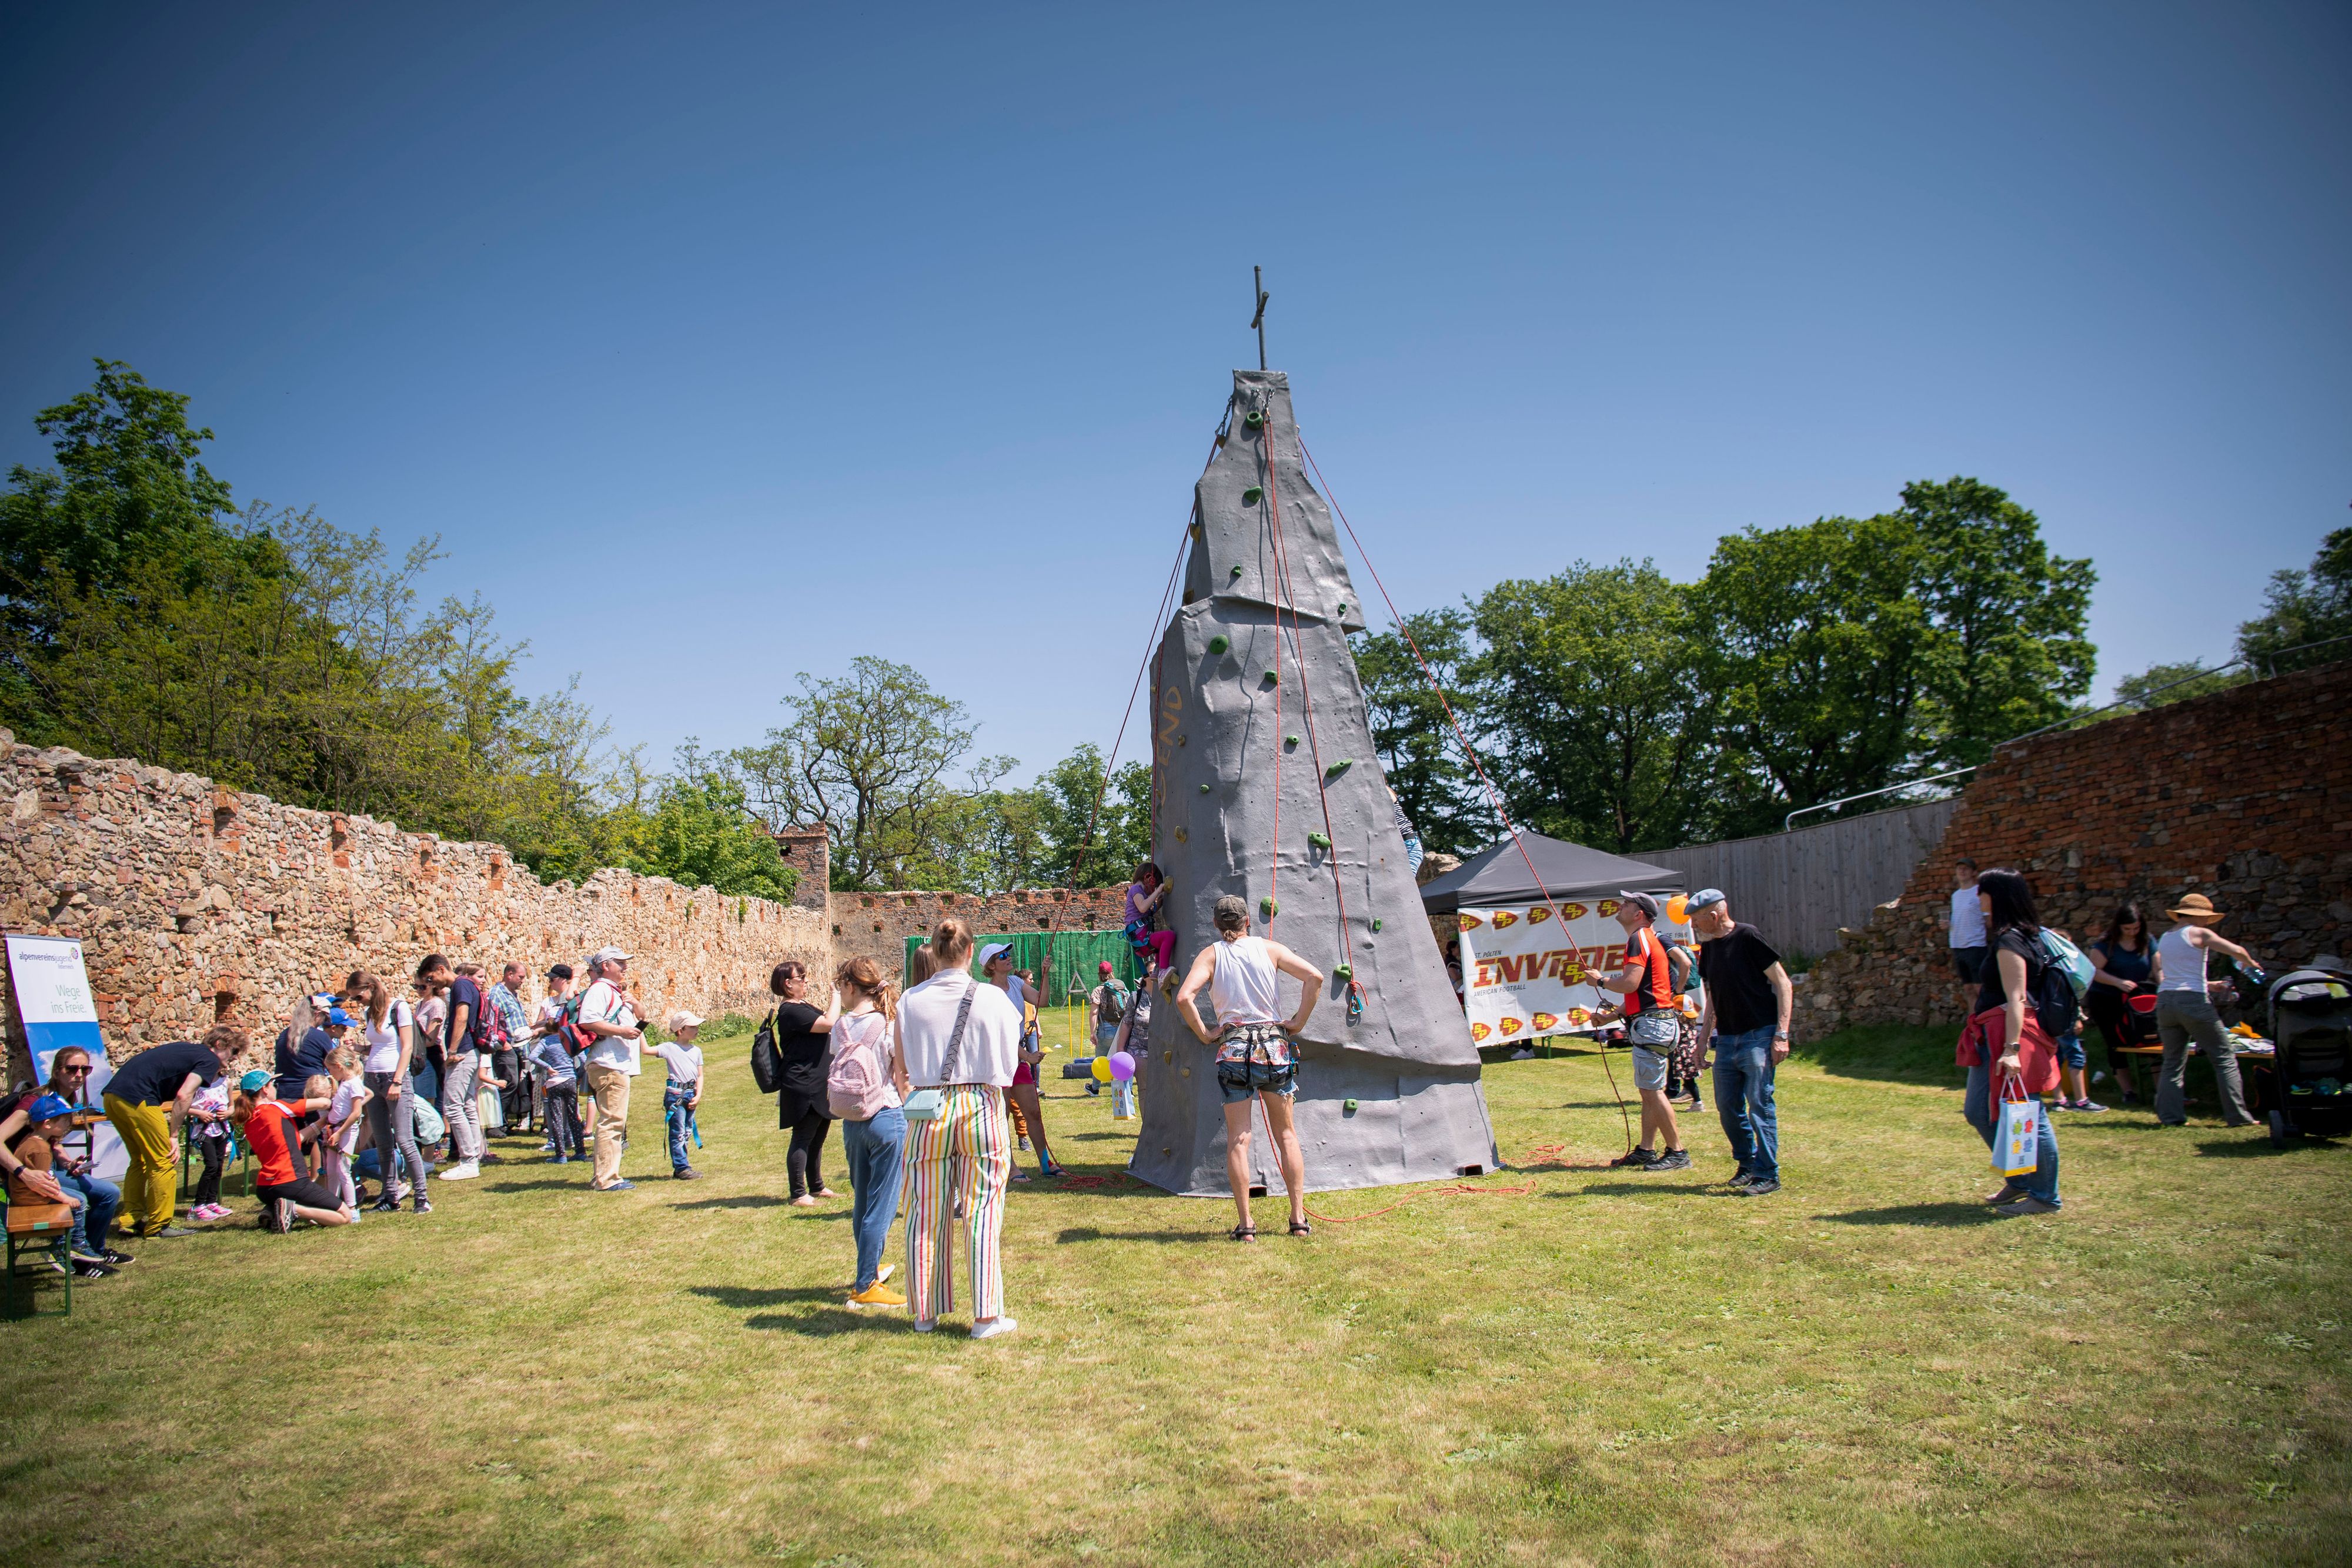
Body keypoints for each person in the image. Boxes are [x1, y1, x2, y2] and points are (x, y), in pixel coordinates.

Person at [1173, 893, 1325, 1241]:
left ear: (1215, 924)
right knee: (1286, 1134)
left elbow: (1184, 998)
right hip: (1274, 1045)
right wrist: (1298, 1022)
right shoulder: (1270, 949)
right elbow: (1314, 978)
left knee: (1239, 1139)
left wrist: (1207, 1034)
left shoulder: (1211, 954)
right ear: (1247, 922)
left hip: (1234, 1048)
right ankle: (1298, 1219)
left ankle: (1246, 1226)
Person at [897, 919, 1021, 1336]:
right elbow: (1009, 1061)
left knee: (923, 1211)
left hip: (926, 1103)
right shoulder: (993, 998)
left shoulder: (909, 999)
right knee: (982, 1209)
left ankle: (924, 1313)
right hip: (979, 1100)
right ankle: (986, 1315)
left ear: (934, 951)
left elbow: (902, 1064)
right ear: (971, 953)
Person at [1963, 870, 2063, 1216]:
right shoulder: (2018, 937)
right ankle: (2020, 1180)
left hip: (2012, 1038)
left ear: (1997, 896)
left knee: (2028, 1113)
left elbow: (2017, 998)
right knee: (1979, 1112)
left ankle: (2045, 1197)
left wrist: (2011, 1050)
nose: (1979, 900)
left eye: (1982, 894)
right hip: (1991, 1036)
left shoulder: (2011, 941)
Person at [1689, 889, 1795, 1196]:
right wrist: (1702, 1036)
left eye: (1697, 920)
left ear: (1714, 915)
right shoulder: (1708, 949)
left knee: (1759, 1106)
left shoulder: (1748, 936)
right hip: (1727, 1040)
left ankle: (1767, 1173)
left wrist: (1781, 1034)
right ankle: (1746, 1164)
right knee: (1727, 1107)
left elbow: (1783, 983)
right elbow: (1712, 998)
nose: (1694, 926)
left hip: (1759, 1036)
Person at [101, 1027, 238, 1239]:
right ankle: (158, 1225)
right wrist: (174, 1136)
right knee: (164, 1161)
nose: (233, 1058)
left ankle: (130, 1221)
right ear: (220, 1045)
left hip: (112, 1097)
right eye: (233, 1051)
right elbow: (184, 1095)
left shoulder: (187, 1050)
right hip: (140, 1099)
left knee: (140, 1161)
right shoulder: (208, 1058)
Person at [833, 955, 908, 1310]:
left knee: (862, 1202)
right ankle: (866, 1284)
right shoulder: (888, 1023)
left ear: (850, 987)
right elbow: (901, 1074)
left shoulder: (841, 1026)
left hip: (852, 1119)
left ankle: (870, 1268)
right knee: (882, 1205)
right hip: (886, 1115)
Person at [2153, 893, 2262, 1129]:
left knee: (2172, 1061)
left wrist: (2209, 984)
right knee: (2224, 1058)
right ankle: (2238, 1117)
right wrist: (2252, 964)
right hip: (2192, 1002)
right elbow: (2237, 950)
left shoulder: (2166, 936)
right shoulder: (2199, 933)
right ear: (2198, 916)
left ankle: (2170, 1117)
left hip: (2165, 1002)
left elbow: (2176, 972)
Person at [1603, 892, 1690, 1172]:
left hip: (1652, 1025)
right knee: (1650, 1090)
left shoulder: (1638, 939)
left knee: (1652, 1091)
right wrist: (1615, 1013)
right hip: (1660, 1022)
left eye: (1627, 904)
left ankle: (1677, 1152)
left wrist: (1602, 980)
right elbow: (1646, 991)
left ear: (1639, 913)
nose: (1621, 907)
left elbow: (1630, 984)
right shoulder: (1652, 938)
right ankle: (1646, 1149)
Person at [346, 968, 430, 1215]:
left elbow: (406, 1048)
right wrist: (360, 1048)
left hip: (395, 1079)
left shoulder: (398, 1008)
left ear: (370, 988)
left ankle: (422, 1198)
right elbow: (379, 1048)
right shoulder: (369, 1013)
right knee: (383, 1142)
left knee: (404, 1140)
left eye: (357, 996)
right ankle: (390, 1196)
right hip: (373, 1078)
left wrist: (397, 1081)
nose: (356, 1001)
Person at [6, 1094, 115, 1279]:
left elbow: (47, 1176)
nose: (68, 1124)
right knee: (79, 1201)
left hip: (26, 1193)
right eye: (64, 1121)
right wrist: (64, 1197)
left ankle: (70, 1245)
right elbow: (43, 1184)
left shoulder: (32, 1140)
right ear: (48, 1124)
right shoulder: (41, 1149)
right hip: (31, 1197)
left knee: (74, 1197)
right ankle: (75, 1244)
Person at [232, 1069, 355, 1231]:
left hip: (265, 1188)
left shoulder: (250, 1120)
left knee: (289, 1198)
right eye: (273, 1085)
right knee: (345, 1216)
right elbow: (324, 1103)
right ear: (265, 1090)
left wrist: (321, 1123)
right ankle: (293, 1210)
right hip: (291, 1181)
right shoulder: (277, 1107)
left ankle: (271, 1210)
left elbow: (294, 1139)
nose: (276, 1088)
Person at [981, 944, 1065, 1179]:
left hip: (1016, 1060)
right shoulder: (988, 994)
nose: (1009, 958)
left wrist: (1045, 974)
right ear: (991, 965)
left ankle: (1045, 1163)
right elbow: (999, 1035)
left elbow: (1043, 1001)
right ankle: (1010, 1167)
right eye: (1003, 956)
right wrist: (1027, 1056)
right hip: (997, 1062)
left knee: (1033, 1112)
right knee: (1002, 1116)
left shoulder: (1017, 984)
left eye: (1008, 954)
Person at [767, 960, 839, 1205]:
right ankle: (798, 1193)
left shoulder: (802, 1005)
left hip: (817, 1081)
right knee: (803, 1137)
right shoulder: (790, 1010)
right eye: (802, 977)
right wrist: (836, 995)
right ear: (789, 984)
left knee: (817, 1138)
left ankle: (816, 1185)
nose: (806, 981)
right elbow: (829, 1023)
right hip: (803, 1082)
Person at [574, 947, 644, 1192]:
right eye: (620, 963)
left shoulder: (613, 991)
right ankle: (606, 1178)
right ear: (605, 965)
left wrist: (635, 1006)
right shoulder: (601, 989)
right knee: (612, 1122)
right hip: (608, 1064)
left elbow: (639, 1016)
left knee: (615, 1121)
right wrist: (622, 1031)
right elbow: (588, 1021)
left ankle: (607, 1175)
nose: (625, 967)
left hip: (615, 1064)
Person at [419, 955, 486, 1179]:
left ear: (441, 969)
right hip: (469, 1051)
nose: (431, 984)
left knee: (453, 1106)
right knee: (467, 1104)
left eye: (431, 978)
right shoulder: (466, 985)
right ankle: (474, 1155)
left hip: (463, 1052)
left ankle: (468, 1160)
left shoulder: (460, 985)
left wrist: (453, 1050)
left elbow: (462, 1017)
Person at [2085, 904, 2157, 1106]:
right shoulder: (2105, 945)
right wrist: (2118, 982)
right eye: (2127, 929)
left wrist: (2165, 985)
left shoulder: (2148, 941)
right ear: (2119, 927)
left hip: (2139, 999)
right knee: (2116, 1044)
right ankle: (2128, 1091)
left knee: (2152, 1041)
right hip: (2107, 1000)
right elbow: (2094, 971)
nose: (2132, 932)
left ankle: (2162, 1089)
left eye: (2136, 928)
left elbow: (2158, 968)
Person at [534, 976, 585, 1164]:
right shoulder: (569, 1039)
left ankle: (561, 1154)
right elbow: (583, 1058)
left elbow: (532, 1057)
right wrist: (578, 1074)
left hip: (555, 1081)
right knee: (573, 1116)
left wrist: (548, 1068)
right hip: (571, 1080)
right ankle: (580, 1151)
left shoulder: (547, 1041)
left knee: (556, 1117)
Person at [317, 1045, 372, 1218]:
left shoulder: (353, 1083)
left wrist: (340, 1131)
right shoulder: (345, 1083)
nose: (331, 1073)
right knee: (331, 1171)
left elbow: (356, 1112)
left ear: (339, 1067)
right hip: (335, 1131)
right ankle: (333, 1205)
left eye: (331, 1069)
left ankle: (352, 1209)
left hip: (344, 1132)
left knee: (343, 1170)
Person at [654, 1012, 706, 1181]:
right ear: (680, 1030)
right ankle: (682, 1168)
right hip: (676, 1095)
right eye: (693, 1027)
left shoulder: (696, 1051)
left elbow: (700, 1075)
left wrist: (698, 1095)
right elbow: (646, 1050)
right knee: (678, 1132)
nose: (697, 1029)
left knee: (688, 1131)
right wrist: (638, 1029)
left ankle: (682, 1165)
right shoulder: (669, 1048)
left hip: (690, 1095)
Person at [486, 962, 534, 1136]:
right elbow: (492, 1020)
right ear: (509, 975)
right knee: (508, 1083)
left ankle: (502, 1122)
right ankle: (494, 1123)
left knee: (514, 1084)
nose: (523, 981)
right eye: (521, 977)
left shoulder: (511, 994)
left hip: (517, 1048)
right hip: (505, 1048)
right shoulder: (497, 994)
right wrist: (503, 1043)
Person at [186, 1062, 235, 1222]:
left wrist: (228, 1113)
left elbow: (232, 1106)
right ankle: (197, 1206)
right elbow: (183, 1107)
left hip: (221, 1128)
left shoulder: (226, 1082)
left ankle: (211, 1201)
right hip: (204, 1130)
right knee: (212, 1165)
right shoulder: (197, 1083)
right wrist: (199, 1113)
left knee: (219, 1165)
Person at [1946, 857, 1987, 1007]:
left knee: (1979, 988)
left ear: (1974, 872)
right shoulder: (1955, 896)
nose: (1962, 871)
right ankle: (1973, 1028)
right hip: (1958, 946)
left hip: (1975, 945)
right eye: (1959, 868)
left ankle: (1987, 1025)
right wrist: (1948, 925)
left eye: (1966, 869)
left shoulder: (1980, 892)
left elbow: (1987, 919)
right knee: (1968, 988)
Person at [1125, 862, 1175, 975]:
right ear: (1147, 877)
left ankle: (1156, 971)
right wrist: (1158, 892)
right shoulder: (1136, 889)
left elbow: (1143, 914)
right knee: (1169, 936)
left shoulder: (1140, 892)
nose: (1153, 891)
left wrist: (1157, 906)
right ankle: (1163, 972)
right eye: (1154, 886)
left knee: (1160, 943)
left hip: (1142, 940)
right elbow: (1143, 908)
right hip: (1142, 940)